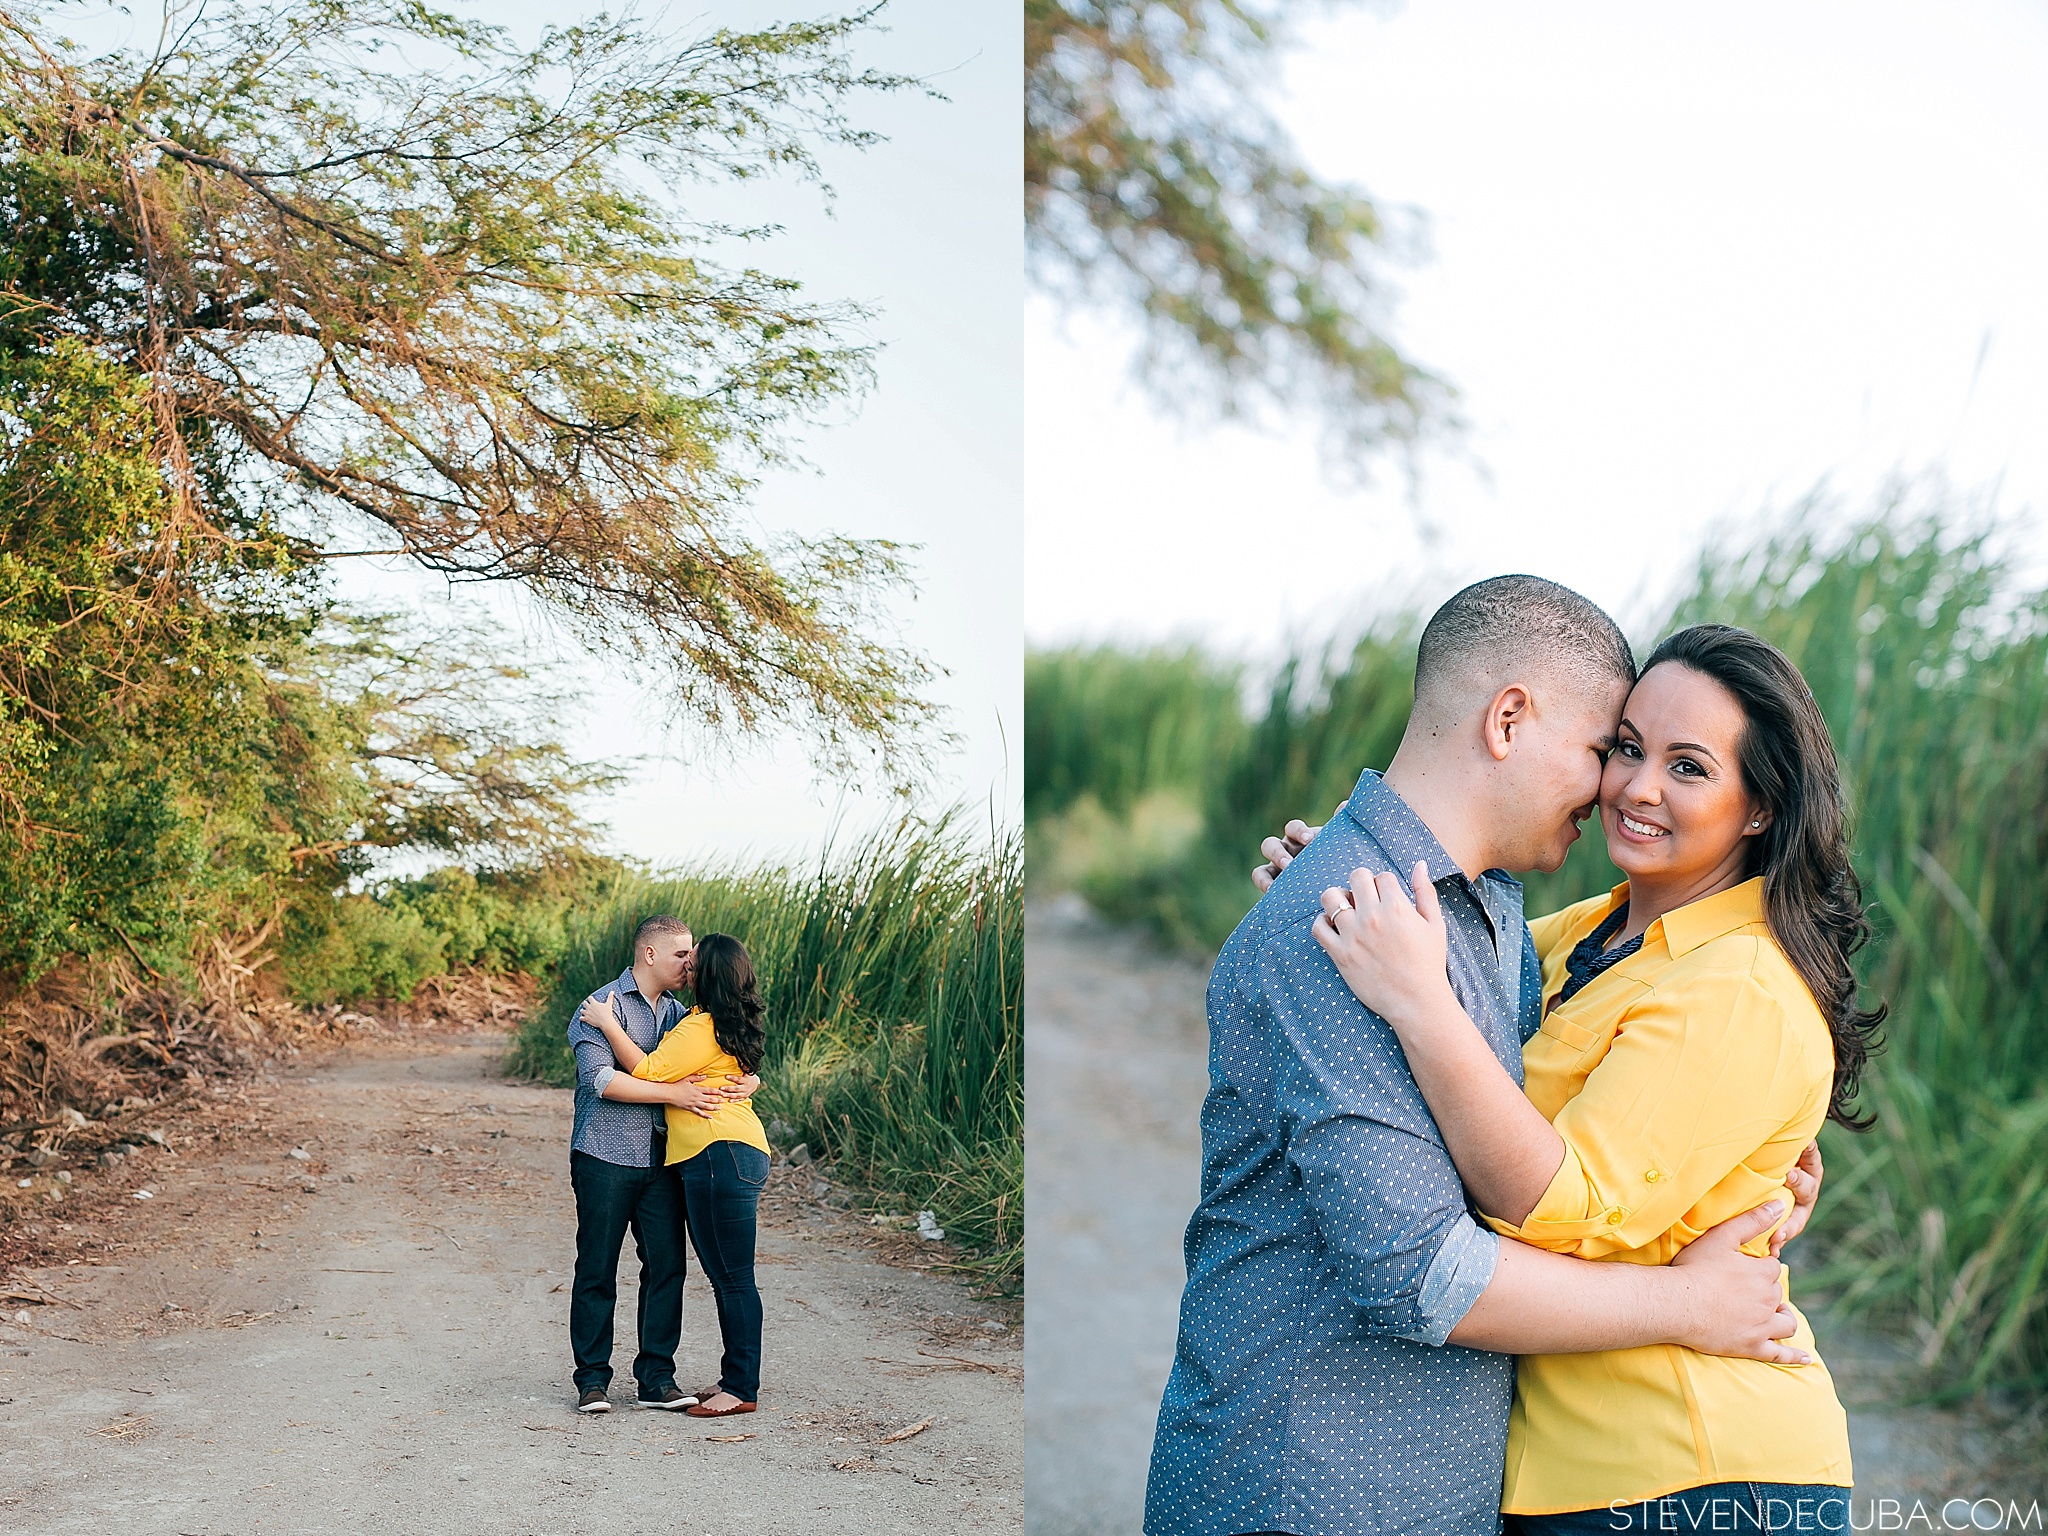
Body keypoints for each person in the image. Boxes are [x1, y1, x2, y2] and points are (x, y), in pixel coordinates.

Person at [1144, 576, 1824, 1536]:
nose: (1620, 788)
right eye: (1613, 749)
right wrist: (1688, 1302)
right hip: (1316, 1487)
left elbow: (1592, 1168)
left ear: (1759, 807)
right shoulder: (1399, 926)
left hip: (1628, 1476)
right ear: (1509, 720)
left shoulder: (1486, 928)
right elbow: (1422, 1272)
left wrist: (1753, 1159)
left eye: (1686, 765)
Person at [565, 916, 755, 1414]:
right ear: (649, 954)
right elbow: (600, 1081)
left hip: (666, 1158)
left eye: (692, 955)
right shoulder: (600, 1006)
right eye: (680, 955)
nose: (689, 963)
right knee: (597, 1268)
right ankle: (592, 1381)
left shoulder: (682, 1013)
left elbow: (725, 1055)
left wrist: (752, 1082)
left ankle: (655, 1380)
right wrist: (675, 1093)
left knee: (667, 1268)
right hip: (605, 1153)